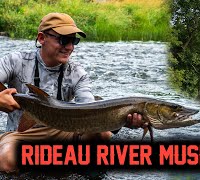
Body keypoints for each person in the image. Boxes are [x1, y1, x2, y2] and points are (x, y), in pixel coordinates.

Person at [0, 13, 144, 173]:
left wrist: (122, 120)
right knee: (7, 160)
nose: (69, 47)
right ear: (41, 38)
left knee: (102, 135)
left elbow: (89, 109)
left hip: (64, 130)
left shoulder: (78, 73)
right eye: (63, 40)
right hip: (22, 134)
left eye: (73, 40)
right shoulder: (15, 61)